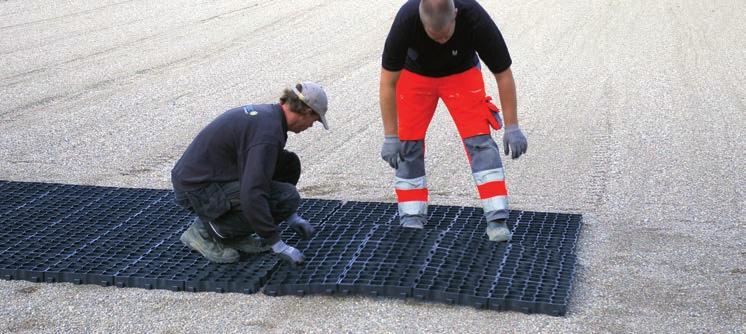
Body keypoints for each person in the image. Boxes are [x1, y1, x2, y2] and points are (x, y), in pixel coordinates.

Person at [379, 0, 528, 242]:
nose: (440, 41)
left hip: (462, 73)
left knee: (480, 142)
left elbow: (503, 73)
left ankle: (496, 218)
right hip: (415, 75)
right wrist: (390, 135)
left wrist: (512, 126)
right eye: (433, 35)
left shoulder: (474, 17)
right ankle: (411, 217)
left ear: (455, 15)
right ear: (421, 20)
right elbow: (388, 82)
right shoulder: (406, 20)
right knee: (408, 145)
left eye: (446, 34)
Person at [171, 82, 330, 266]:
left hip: (212, 178)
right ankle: (205, 232)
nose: (311, 126)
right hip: (196, 189)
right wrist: (278, 245)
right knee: (286, 197)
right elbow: (253, 193)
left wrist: (292, 217)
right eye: (315, 120)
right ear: (307, 112)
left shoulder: (270, 118)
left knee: (288, 164)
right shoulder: (268, 134)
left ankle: (234, 232)